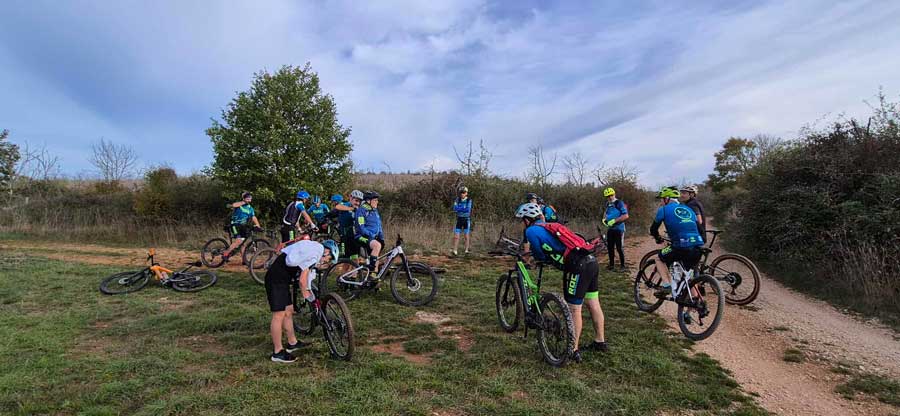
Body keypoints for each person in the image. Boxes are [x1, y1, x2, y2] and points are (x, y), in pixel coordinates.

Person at [516, 202, 607, 363]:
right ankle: (600, 341)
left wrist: (540, 260)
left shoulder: (530, 230)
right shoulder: (552, 225)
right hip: (591, 261)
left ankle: (573, 350)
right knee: (593, 302)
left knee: (574, 309)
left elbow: (538, 252)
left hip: (577, 265)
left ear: (527, 219)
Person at [264, 239, 339, 363]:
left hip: (282, 278)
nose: (326, 262)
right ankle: (277, 352)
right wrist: (310, 298)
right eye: (329, 259)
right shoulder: (315, 254)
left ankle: (292, 343)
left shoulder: (313, 249)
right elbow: (303, 281)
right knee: (279, 315)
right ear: (326, 252)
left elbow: (306, 275)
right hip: (276, 279)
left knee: (288, 311)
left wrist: (309, 293)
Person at [649, 186, 704, 293]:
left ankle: (666, 285)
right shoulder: (689, 209)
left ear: (667, 199)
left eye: (662, 199)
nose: (661, 201)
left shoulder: (663, 210)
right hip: (698, 245)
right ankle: (697, 302)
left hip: (681, 246)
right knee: (688, 276)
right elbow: (700, 228)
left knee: (659, 258)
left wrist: (658, 238)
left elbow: (653, 229)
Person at [223, 192, 262, 263]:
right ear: (244, 199)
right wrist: (243, 202)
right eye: (247, 199)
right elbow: (234, 205)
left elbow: (253, 217)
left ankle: (244, 260)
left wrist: (258, 225)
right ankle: (225, 253)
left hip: (243, 226)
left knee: (243, 243)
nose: (249, 200)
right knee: (238, 241)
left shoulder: (250, 208)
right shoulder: (239, 205)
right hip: (234, 224)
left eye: (250, 199)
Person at [354, 191, 384, 270]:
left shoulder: (374, 211)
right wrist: (371, 235)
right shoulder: (361, 210)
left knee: (377, 259)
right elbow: (361, 228)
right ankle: (370, 269)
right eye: (375, 200)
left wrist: (381, 237)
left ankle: (373, 278)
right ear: (368, 201)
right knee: (377, 246)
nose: (377, 202)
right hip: (361, 236)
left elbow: (379, 226)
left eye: (377, 200)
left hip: (372, 238)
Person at [330, 190, 363, 261]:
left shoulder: (359, 209)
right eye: (356, 200)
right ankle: (345, 271)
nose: (357, 203)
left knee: (355, 255)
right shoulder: (346, 204)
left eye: (359, 201)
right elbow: (338, 206)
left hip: (354, 235)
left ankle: (355, 271)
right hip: (345, 235)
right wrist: (351, 209)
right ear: (351, 198)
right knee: (345, 256)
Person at [602, 188, 629, 272]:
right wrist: (604, 219)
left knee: (619, 248)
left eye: (611, 195)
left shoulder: (619, 203)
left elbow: (626, 216)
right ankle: (611, 265)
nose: (610, 197)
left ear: (614, 194)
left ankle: (623, 266)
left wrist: (615, 220)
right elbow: (606, 213)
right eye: (608, 196)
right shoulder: (607, 204)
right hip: (610, 228)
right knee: (610, 247)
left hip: (619, 228)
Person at [451, 186, 473, 256]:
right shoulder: (457, 199)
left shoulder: (469, 200)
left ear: (466, 193)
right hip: (459, 219)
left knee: (466, 236)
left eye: (463, 193)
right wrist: (463, 208)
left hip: (466, 220)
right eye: (461, 193)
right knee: (456, 236)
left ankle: (466, 250)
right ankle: (455, 250)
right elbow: (454, 208)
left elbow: (468, 210)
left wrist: (459, 208)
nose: (462, 194)